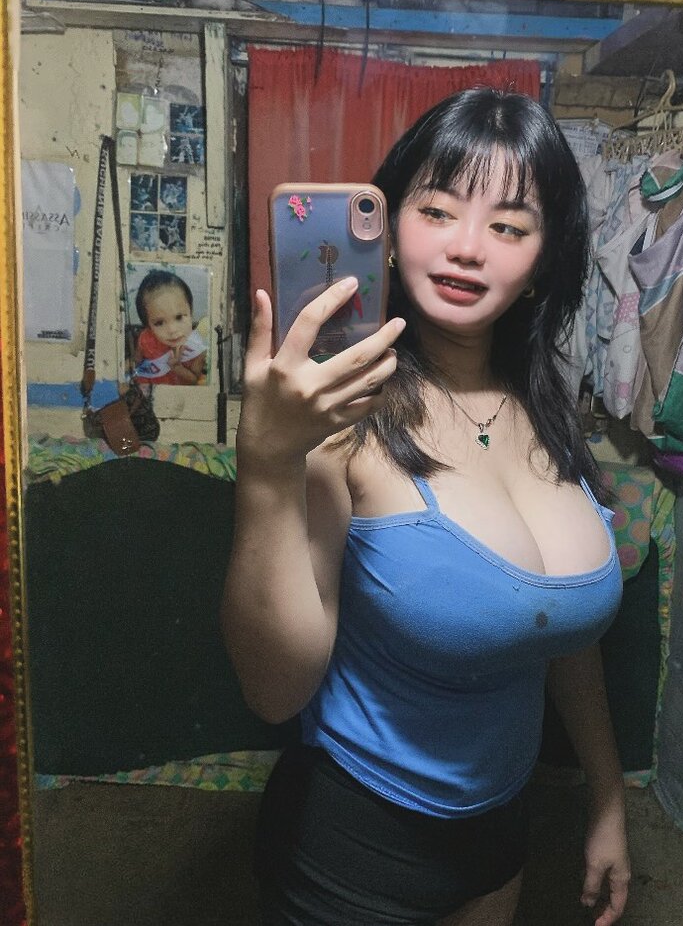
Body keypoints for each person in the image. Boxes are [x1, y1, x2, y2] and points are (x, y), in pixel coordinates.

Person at [221, 88, 630, 926]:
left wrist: (608, 797)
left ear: (544, 260)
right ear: (390, 225)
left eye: (509, 226)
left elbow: (556, 634)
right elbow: (273, 690)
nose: (466, 248)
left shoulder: (547, 408)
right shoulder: (342, 414)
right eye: (437, 210)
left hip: (502, 832)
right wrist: (268, 462)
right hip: (354, 846)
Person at [133, 269, 207, 386]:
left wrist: (177, 368)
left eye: (179, 317)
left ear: (191, 311)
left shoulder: (196, 348)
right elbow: (136, 361)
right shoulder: (146, 338)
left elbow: (194, 380)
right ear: (148, 325)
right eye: (159, 323)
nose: (172, 330)